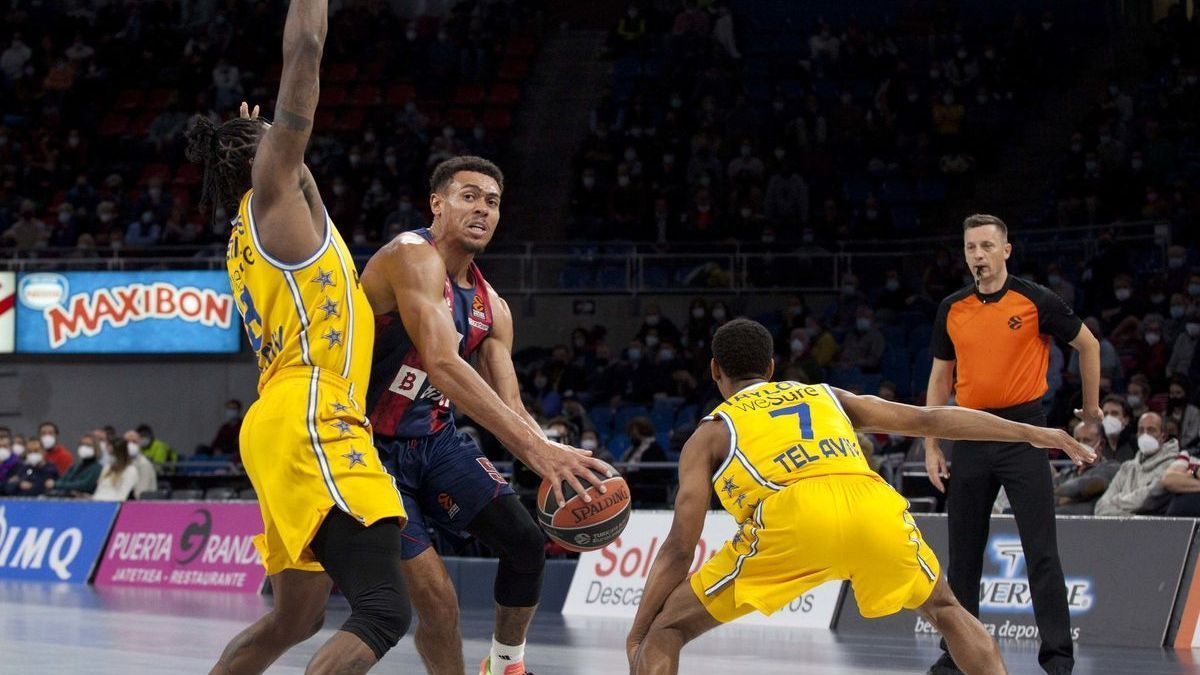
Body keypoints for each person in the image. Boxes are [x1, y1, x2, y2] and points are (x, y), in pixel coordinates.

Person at [627, 319, 1095, 675]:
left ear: (715, 371)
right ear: (772, 369)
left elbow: (679, 547)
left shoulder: (709, 433)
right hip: (870, 501)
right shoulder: (826, 396)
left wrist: (639, 634)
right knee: (947, 609)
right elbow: (933, 419)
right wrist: (1033, 432)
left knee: (670, 629)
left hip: (791, 515)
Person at [185, 1, 412, 671]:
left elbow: (285, 160)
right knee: (383, 608)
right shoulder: (273, 193)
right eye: (271, 137)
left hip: (276, 418)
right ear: (262, 159)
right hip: (314, 405)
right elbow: (306, 49)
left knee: (296, 615)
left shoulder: (248, 231)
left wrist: (248, 133)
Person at [361, 155, 612, 675]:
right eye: (469, 195)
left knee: (525, 543)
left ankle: (505, 664)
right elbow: (442, 363)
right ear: (437, 203)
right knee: (438, 601)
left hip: (435, 441)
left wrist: (554, 459)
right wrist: (536, 451)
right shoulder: (410, 255)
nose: (482, 209)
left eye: (492, 202)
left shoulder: (492, 306)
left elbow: (511, 403)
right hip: (369, 446)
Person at [925, 214, 1101, 675]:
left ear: (1006, 250)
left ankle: (1058, 661)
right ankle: (956, 657)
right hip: (970, 433)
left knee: (1041, 552)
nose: (977, 256)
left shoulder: (1035, 300)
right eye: (970, 248)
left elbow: (1089, 345)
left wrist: (1092, 409)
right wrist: (931, 443)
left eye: (986, 246)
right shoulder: (952, 308)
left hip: (1024, 432)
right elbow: (941, 377)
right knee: (963, 556)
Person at [1094, 412, 1178, 516]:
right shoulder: (1127, 467)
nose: (1145, 434)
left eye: (1151, 430)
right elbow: (1100, 507)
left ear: (1163, 436)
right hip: (1119, 529)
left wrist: (1113, 504)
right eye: (1141, 430)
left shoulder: (1173, 466)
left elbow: (1147, 501)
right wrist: (1131, 518)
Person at [1052, 421, 1119, 515]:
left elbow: (1086, 485)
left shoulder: (1111, 468)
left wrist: (1055, 492)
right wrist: (1079, 496)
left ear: (1101, 444)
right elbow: (1046, 499)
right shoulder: (1065, 474)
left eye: (1086, 440)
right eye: (1077, 440)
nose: (1079, 445)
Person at [47, 433, 102, 497]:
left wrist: (56, 484)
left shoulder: (97, 468)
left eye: (88, 445)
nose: (83, 447)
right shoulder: (74, 467)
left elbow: (85, 485)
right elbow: (62, 480)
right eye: (81, 444)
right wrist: (56, 484)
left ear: (96, 448)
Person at [1100, 394, 1137, 461]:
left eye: (1114, 413)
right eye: (1105, 414)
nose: (1109, 418)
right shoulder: (1098, 446)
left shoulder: (1136, 445)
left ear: (1126, 420)